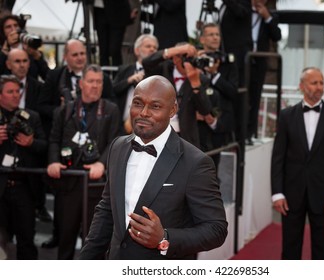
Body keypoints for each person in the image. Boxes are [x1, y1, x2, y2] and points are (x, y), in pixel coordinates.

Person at [78, 75, 227, 260]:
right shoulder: (118, 147)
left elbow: (216, 229)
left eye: (155, 106)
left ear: (173, 110)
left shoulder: (195, 163)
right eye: (138, 103)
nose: (144, 113)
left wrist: (164, 238)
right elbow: (107, 209)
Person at [271, 67, 324, 259]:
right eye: (314, 83)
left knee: (322, 249)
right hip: (291, 193)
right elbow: (278, 157)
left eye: (321, 82)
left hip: (323, 194)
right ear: (302, 86)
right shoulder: (287, 115)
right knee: (290, 246)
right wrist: (277, 193)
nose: (319, 87)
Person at [46, 64, 120, 260]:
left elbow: (114, 142)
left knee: (94, 240)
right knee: (65, 237)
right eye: (91, 81)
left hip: (97, 186)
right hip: (69, 183)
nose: (95, 86)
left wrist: (102, 164)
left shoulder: (111, 109)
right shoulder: (66, 110)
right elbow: (54, 139)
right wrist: (53, 161)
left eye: (99, 82)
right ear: (81, 83)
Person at [220, 0, 281, 145]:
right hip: (241, 61)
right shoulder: (242, 10)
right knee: (240, 96)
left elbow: (276, 35)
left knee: (255, 97)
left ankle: (250, 133)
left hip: (258, 61)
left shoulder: (270, 15)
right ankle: (237, 133)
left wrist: (267, 17)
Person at [0, 74, 47, 259]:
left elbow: (46, 146)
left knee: (26, 239)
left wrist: (31, 142)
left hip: (24, 188)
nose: (15, 95)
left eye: (17, 91)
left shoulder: (31, 116)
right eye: (10, 91)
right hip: (1, 188)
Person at [6, 48, 51, 222]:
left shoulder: (39, 87)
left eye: (25, 61)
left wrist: (32, 141)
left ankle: (39, 207)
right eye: (17, 61)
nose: (22, 65)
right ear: (8, 64)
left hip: (30, 162)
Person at [142, 42, 213, 148]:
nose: (188, 61)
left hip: (185, 139)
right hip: (157, 135)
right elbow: (146, 62)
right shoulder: (163, 69)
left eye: (191, 57)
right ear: (175, 58)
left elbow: (205, 110)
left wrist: (195, 83)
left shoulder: (201, 79)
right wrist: (174, 50)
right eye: (184, 57)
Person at [197, 22, 238, 169]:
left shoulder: (227, 62)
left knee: (212, 169)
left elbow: (233, 92)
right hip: (196, 122)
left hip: (218, 122)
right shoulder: (195, 59)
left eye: (217, 34)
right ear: (202, 39)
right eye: (211, 35)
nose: (215, 38)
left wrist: (215, 75)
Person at [113, 34, 158, 134]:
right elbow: (112, 90)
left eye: (155, 48)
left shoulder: (159, 73)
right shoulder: (124, 69)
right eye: (148, 46)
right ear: (137, 50)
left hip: (148, 127)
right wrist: (128, 80)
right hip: (120, 126)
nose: (152, 49)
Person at [0, 14, 49, 80]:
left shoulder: (30, 51)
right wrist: (5, 51)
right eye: (8, 27)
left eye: (16, 25)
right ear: (3, 32)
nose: (13, 29)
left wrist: (37, 56)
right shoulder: (2, 52)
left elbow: (47, 77)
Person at [92, 0, 136, 66]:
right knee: (103, 50)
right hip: (99, 9)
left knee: (114, 49)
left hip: (118, 12)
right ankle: (104, 75)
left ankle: (118, 74)